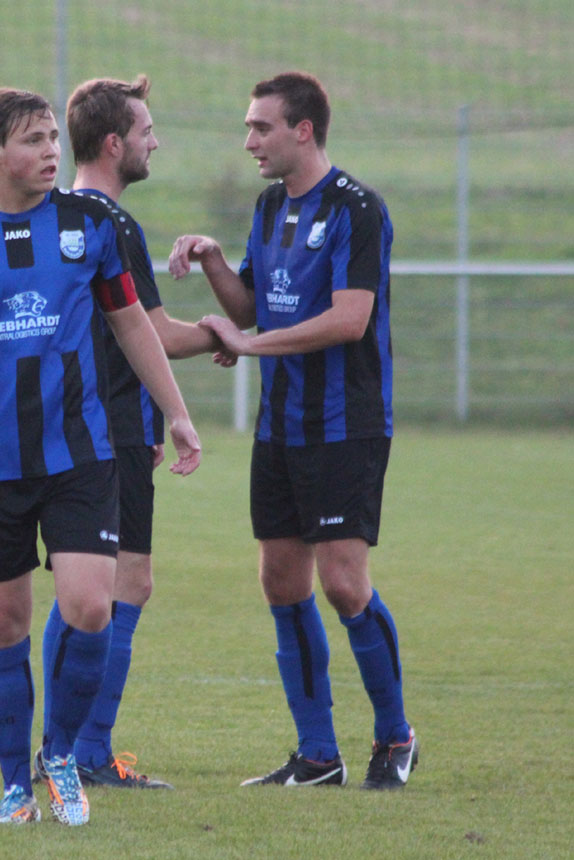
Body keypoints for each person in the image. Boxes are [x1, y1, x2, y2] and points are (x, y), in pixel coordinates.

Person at [0, 87, 202, 826]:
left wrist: (178, 412)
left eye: (52, 141)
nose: (48, 153)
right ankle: (14, 784)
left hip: (80, 453)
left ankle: (61, 754)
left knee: (91, 606)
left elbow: (131, 322)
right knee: (2, 625)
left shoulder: (89, 221)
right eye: (33, 141)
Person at [169, 71, 416, 790]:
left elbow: (351, 319)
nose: (250, 140)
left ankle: (395, 737)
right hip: (282, 426)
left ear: (303, 129)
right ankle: (316, 756)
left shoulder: (357, 209)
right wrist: (216, 263)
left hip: (347, 424)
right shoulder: (271, 204)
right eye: (249, 128)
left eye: (261, 127)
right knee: (282, 581)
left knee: (343, 583)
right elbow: (248, 311)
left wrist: (247, 348)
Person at [34, 74, 231, 792]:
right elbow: (150, 333)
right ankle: (77, 750)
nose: (157, 141)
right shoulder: (108, 222)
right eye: (147, 131)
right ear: (114, 143)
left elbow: (119, 337)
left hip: (104, 424)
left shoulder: (65, 213)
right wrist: (225, 331)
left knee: (116, 584)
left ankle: (80, 747)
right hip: (101, 431)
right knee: (112, 585)